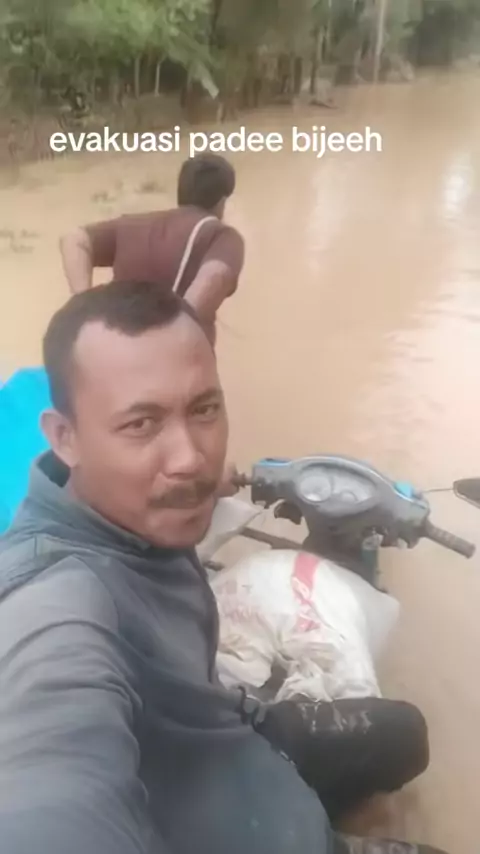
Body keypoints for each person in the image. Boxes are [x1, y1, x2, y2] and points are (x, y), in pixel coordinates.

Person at [0, 280, 446, 854]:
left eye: (204, 409)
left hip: (224, 731)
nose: (190, 459)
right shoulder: (56, 611)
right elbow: (49, 790)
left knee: (406, 733)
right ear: (65, 438)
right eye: (141, 424)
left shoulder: (134, 509)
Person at [59, 154, 244, 338]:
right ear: (222, 202)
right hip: (174, 352)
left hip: (115, 346)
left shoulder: (131, 224)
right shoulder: (221, 236)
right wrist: (176, 331)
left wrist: (83, 308)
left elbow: (74, 239)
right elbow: (216, 275)